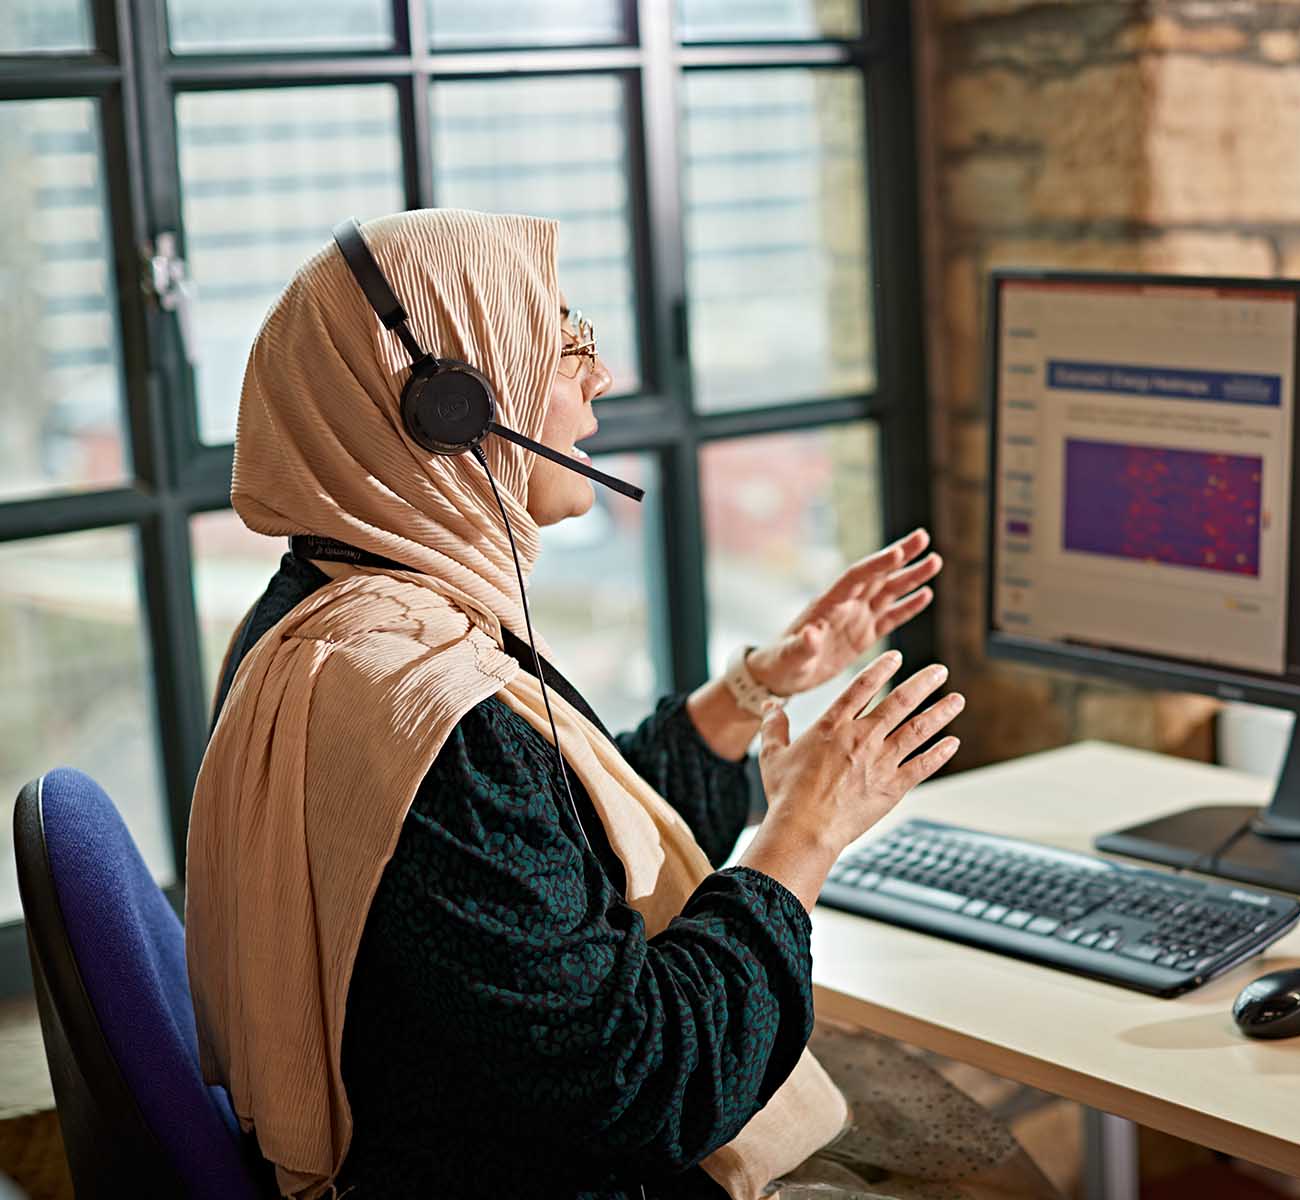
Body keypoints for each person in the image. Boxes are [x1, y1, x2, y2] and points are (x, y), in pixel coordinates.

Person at [185, 209, 1057, 1200]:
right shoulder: (428, 713)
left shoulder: (329, 610)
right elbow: (647, 1085)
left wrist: (753, 692)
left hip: (466, 1143)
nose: (599, 376)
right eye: (564, 343)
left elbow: (551, 855)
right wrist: (805, 833)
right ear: (450, 408)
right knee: (999, 1180)